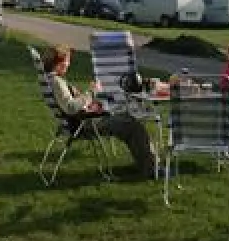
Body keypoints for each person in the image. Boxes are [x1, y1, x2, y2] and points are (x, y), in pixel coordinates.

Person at [43, 45, 157, 178]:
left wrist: (88, 102)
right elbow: (71, 107)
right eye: (67, 60)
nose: (69, 64)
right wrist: (92, 92)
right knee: (133, 126)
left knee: (127, 120)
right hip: (84, 124)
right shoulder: (57, 82)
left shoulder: (50, 79)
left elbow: (70, 106)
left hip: (78, 121)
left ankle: (144, 164)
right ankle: (150, 169)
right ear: (58, 63)